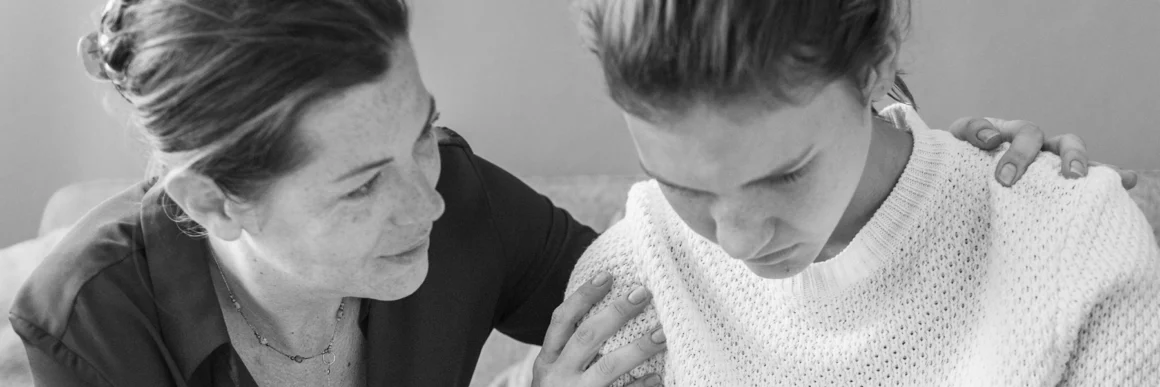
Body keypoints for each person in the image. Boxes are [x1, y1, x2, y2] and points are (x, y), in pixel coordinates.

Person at [6, 0, 1135, 386]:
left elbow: (654, 334)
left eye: (425, 136)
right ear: (212, 204)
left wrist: (989, 191)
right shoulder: (87, 314)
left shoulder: (472, 211)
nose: (429, 203)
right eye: (360, 187)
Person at [547, 0, 1160, 386]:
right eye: (679, 185)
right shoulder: (637, 277)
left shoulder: (1074, 246)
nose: (735, 241)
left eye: (784, 175)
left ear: (877, 63)